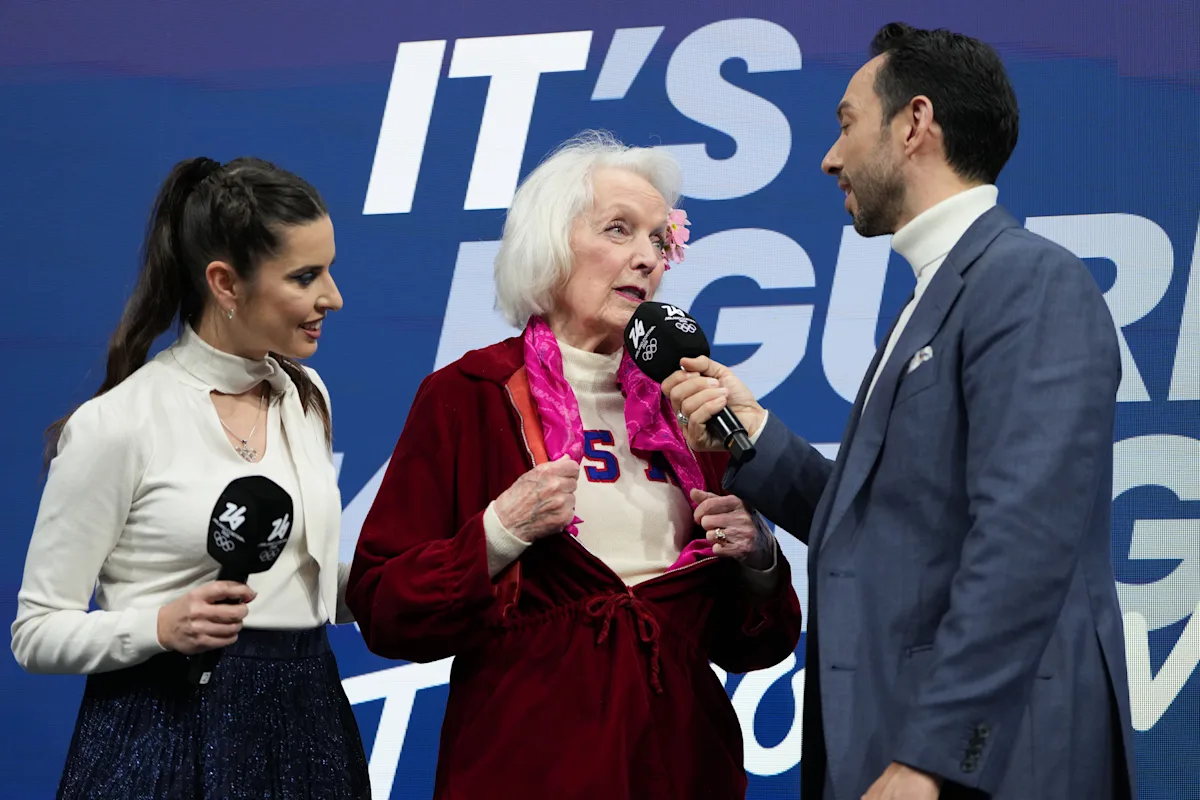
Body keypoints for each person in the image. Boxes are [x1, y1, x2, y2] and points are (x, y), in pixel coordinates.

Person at [664, 23, 1136, 800]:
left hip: (989, 763)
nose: (831, 156)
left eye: (848, 123)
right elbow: (886, 530)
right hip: (900, 746)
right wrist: (751, 436)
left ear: (915, 124)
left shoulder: (1029, 282)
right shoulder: (929, 302)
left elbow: (1026, 537)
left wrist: (935, 756)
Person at [346, 130, 802, 799]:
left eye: (659, 240)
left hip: (679, 760)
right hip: (528, 757)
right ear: (550, 244)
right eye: (620, 230)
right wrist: (499, 531)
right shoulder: (468, 394)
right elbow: (384, 607)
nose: (647, 258)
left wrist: (759, 561)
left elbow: (754, 645)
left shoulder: (695, 404)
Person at [11, 157, 370, 799]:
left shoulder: (306, 395)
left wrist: (459, 564)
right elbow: (37, 632)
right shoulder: (117, 424)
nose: (333, 297)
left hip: (309, 721)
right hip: (160, 730)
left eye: (329, 269)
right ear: (225, 283)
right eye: (305, 276)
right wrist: (158, 627)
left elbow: (306, 585)